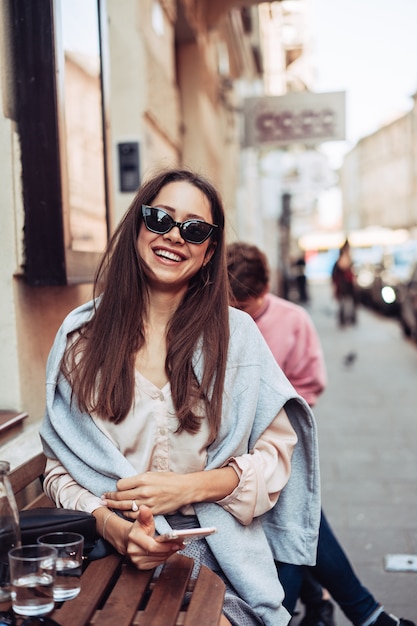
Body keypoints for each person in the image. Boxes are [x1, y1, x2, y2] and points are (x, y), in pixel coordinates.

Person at [39, 168, 321, 626]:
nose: (173, 236)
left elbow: (276, 459)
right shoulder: (81, 338)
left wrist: (190, 487)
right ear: (137, 226)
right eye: (160, 219)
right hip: (109, 551)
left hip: (218, 547)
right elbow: (59, 469)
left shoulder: (238, 336)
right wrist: (114, 527)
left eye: (194, 229)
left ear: (210, 251)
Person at [226, 241, 415, 626]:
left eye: (245, 308)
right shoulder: (219, 321)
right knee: (298, 522)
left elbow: (311, 384)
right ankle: (358, 612)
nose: (237, 315)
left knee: (294, 518)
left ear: (263, 292)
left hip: (282, 441)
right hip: (233, 449)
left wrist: (270, 406)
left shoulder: (293, 320)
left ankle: (336, 611)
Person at [331, 239, 357, 325]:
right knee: (343, 302)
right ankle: (343, 319)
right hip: (343, 285)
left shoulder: (349, 259)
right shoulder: (342, 260)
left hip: (348, 285)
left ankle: (348, 319)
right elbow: (341, 270)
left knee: (349, 302)